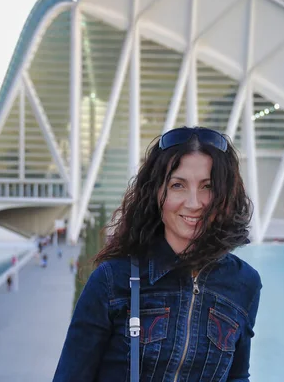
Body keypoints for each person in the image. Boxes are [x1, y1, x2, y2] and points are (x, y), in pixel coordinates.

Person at [53, 127, 262, 381]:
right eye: (178, 185)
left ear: (225, 195)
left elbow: (237, 376)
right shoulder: (112, 281)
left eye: (207, 186)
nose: (194, 203)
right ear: (156, 193)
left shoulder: (244, 283)